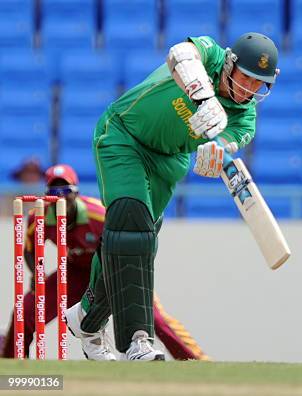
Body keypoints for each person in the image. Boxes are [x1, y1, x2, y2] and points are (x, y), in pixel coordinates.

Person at [64, 32, 279, 361]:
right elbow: (180, 54)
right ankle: (137, 341)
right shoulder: (210, 54)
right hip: (124, 135)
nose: (250, 89)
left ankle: (86, 320)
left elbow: (229, 142)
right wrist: (205, 98)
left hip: (169, 161)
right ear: (231, 64)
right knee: (131, 228)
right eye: (246, 77)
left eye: (258, 84)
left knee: (135, 243)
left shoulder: (245, 117)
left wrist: (215, 152)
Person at [2, 164, 208, 361]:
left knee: (155, 319)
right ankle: (10, 361)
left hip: (112, 270)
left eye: (66, 191)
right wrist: (36, 274)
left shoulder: (98, 215)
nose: (60, 198)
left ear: (76, 193)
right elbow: (30, 248)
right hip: (73, 272)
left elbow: (130, 242)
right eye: (54, 193)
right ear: (47, 195)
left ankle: (197, 361)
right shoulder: (39, 216)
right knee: (26, 310)